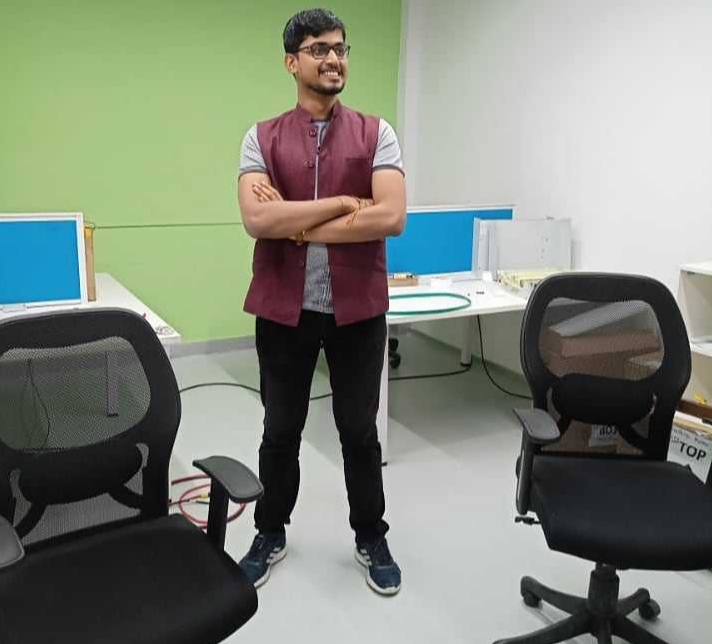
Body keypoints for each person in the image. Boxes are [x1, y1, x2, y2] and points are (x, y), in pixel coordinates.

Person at [236, 8, 406, 595]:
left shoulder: (376, 133)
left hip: (357, 308)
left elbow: (392, 216)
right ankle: (270, 531)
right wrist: (342, 205)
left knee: (359, 430)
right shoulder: (260, 137)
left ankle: (370, 535)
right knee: (280, 428)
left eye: (340, 48)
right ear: (292, 62)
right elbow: (258, 220)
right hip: (284, 309)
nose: (334, 58)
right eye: (318, 49)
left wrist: (298, 222)